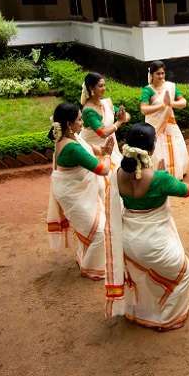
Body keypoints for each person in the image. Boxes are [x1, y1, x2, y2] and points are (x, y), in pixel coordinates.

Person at [107, 122, 189, 330]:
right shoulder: (160, 178)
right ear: (152, 149)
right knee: (185, 273)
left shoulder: (118, 173)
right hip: (155, 244)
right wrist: (165, 176)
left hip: (128, 242)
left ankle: (141, 312)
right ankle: (167, 319)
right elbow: (187, 191)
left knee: (141, 275)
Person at [46, 103, 123, 285]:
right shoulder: (70, 146)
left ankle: (85, 258)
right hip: (72, 194)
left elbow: (91, 149)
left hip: (73, 189)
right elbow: (102, 170)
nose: (82, 123)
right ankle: (91, 268)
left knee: (93, 225)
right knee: (99, 231)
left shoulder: (71, 137)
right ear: (69, 124)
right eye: (79, 119)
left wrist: (103, 150)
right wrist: (107, 155)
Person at [140, 61, 189, 180]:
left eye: (163, 73)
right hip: (154, 126)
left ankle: (177, 172)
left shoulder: (170, 87)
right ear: (151, 75)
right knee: (156, 149)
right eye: (158, 74)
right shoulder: (148, 90)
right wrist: (162, 105)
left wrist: (171, 103)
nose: (161, 76)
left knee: (175, 146)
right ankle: (158, 174)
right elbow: (144, 109)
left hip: (170, 123)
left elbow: (183, 102)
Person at [80, 72, 129, 167]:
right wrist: (119, 122)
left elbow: (126, 116)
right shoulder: (89, 111)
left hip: (111, 148)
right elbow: (103, 133)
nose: (104, 88)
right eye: (100, 86)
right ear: (91, 88)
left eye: (104, 85)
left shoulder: (106, 103)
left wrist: (122, 114)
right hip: (94, 151)